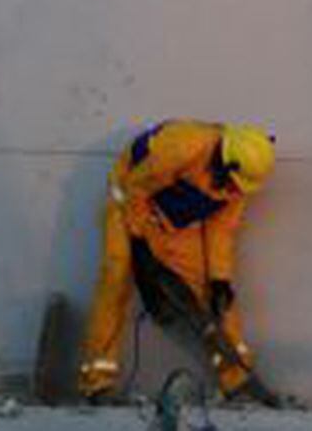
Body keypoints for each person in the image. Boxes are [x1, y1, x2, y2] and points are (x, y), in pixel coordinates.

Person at [77, 120, 280, 406]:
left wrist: (220, 278)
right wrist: (138, 243)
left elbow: (221, 231)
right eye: (234, 183)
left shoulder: (238, 182)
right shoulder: (184, 147)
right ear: (225, 162)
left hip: (171, 220)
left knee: (213, 297)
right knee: (116, 275)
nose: (236, 191)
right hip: (129, 200)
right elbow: (136, 187)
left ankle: (237, 379)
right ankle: (97, 382)